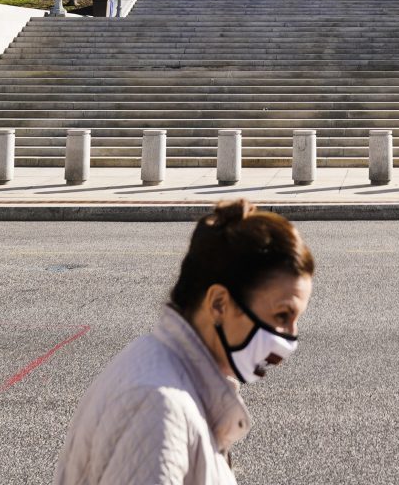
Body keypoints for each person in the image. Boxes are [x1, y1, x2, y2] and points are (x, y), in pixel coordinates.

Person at [55, 199, 315, 485]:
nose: (290, 338)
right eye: (282, 315)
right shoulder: (158, 407)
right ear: (218, 303)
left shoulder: (168, 371)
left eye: (296, 318)